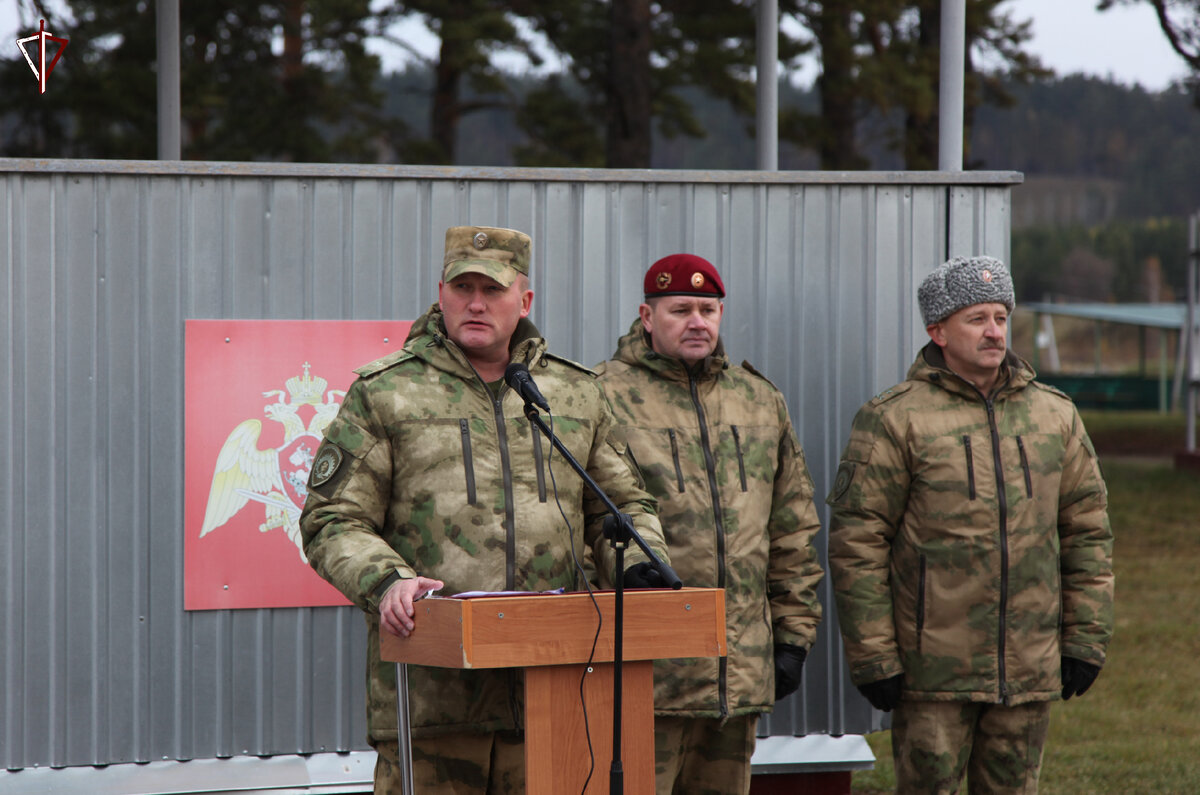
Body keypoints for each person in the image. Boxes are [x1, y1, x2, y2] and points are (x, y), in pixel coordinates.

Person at [299, 225, 670, 795]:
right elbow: (332, 519)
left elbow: (621, 506)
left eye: (493, 290)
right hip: (434, 701)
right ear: (440, 293)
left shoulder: (573, 393)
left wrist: (639, 566)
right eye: (462, 287)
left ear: (523, 302)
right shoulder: (386, 392)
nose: (476, 302)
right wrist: (388, 581)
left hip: (561, 692)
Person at [826, 255, 1115, 794]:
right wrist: (875, 656)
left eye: (1000, 317)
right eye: (975, 318)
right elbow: (857, 543)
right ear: (937, 330)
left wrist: (1086, 637)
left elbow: (1087, 533)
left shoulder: (1054, 415)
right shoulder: (895, 418)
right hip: (932, 673)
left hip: (1027, 669)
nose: (993, 332)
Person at [594, 253, 825, 795]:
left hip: (737, 669)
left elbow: (791, 529)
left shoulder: (760, 401)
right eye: (680, 309)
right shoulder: (603, 394)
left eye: (709, 308)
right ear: (647, 317)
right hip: (647, 670)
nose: (698, 321)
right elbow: (587, 523)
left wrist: (793, 636)